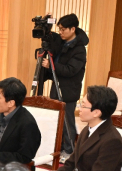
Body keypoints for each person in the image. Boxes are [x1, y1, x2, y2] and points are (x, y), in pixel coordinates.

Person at [40, 13, 89, 156]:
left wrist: (51, 65)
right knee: (56, 121)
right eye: (59, 29)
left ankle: (69, 151)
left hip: (69, 91)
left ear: (72, 29)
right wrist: (46, 22)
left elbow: (71, 70)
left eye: (63, 29)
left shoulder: (79, 49)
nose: (60, 32)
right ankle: (58, 148)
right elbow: (48, 36)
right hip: (57, 86)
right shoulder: (61, 42)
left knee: (67, 123)